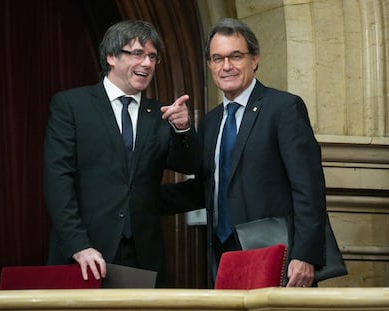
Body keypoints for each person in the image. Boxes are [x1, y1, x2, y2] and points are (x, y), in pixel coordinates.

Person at [162, 18, 327, 288]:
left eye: (235, 56)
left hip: (276, 255)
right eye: (217, 58)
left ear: (255, 59)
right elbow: (206, 188)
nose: (226, 66)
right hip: (222, 255)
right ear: (210, 65)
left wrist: (305, 254)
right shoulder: (211, 121)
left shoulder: (283, 108)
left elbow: (308, 187)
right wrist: (138, 197)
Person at [43, 20, 200, 288]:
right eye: (137, 53)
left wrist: (183, 130)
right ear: (111, 57)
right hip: (86, 254)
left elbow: (188, 164)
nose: (148, 63)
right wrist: (78, 245)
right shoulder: (72, 106)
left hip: (143, 257)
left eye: (152, 56)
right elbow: (58, 180)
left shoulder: (161, 114)